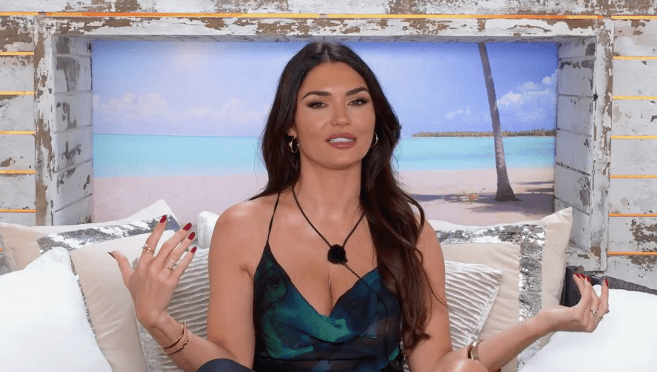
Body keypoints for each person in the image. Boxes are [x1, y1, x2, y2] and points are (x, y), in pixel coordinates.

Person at [111, 42, 610, 372]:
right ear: (289, 124)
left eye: (357, 101)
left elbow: (436, 366)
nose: (340, 119)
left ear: (376, 121)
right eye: (317, 103)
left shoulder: (408, 229)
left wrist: (541, 323)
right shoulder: (243, 227)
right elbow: (228, 366)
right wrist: (156, 318)